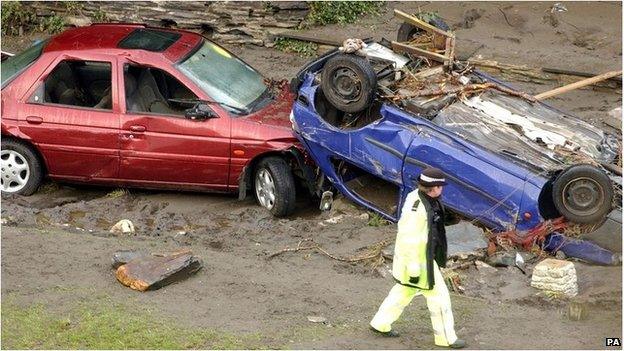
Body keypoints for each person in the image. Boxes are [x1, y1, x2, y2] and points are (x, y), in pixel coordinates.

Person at [370, 167, 466, 349]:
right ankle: (445, 338)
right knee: (440, 298)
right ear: (435, 188)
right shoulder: (418, 207)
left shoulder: (420, 198)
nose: (442, 189)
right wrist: (414, 269)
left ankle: (380, 323)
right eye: (440, 186)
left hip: (419, 261)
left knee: (403, 292)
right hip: (419, 264)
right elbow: (409, 239)